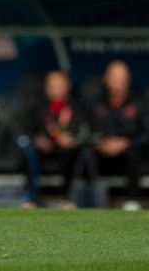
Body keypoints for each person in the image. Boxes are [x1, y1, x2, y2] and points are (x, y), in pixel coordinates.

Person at [90, 60, 149, 210]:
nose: (118, 83)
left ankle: (132, 200)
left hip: (129, 154)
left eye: (121, 79)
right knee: (84, 153)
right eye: (114, 78)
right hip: (103, 154)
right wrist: (98, 143)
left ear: (128, 80)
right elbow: (85, 130)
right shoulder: (95, 103)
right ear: (105, 79)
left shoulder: (140, 103)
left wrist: (126, 143)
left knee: (134, 153)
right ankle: (81, 199)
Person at [20, 70, 86, 208]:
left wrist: (72, 139)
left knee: (72, 156)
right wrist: (37, 139)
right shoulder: (38, 107)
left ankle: (69, 198)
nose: (54, 88)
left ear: (68, 86)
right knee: (30, 155)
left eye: (59, 84)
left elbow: (86, 130)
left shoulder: (79, 106)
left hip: (68, 148)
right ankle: (32, 198)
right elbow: (27, 130)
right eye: (51, 84)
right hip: (45, 147)